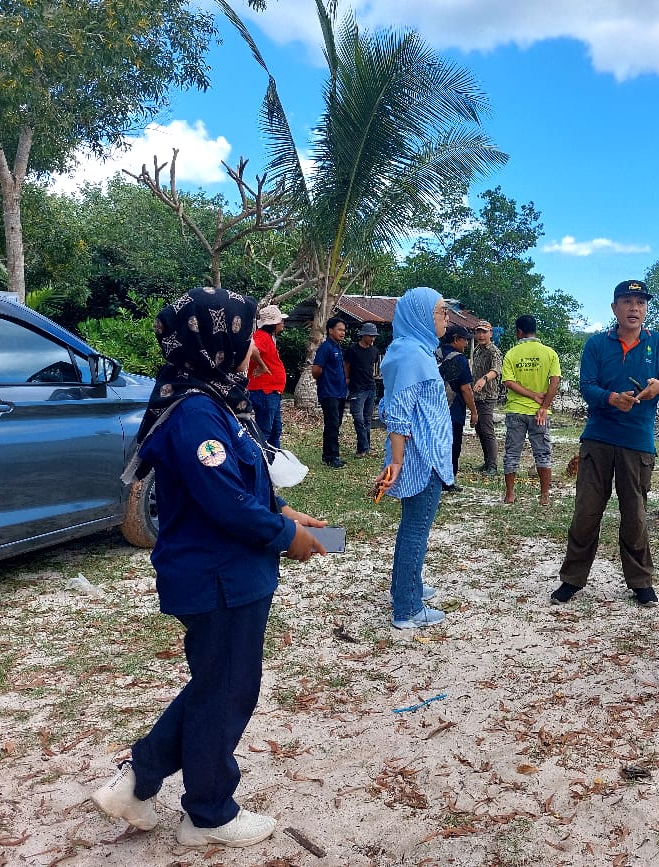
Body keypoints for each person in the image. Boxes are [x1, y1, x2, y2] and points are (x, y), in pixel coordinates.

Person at [91, 287, 327, 848]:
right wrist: (284, 534)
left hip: (232, 572)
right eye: (245, 337)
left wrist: (285, 511)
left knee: (216, 685)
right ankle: (209, 814)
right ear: (214, 342)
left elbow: (238, 484)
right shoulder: (196, 411)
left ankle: (139, 782)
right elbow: (223, 504)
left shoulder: (213, 399)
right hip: (217, 576)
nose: (254, 349)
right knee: (226, 690)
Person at [550, 280, 659, 607]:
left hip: (638, 442)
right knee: (586, 512)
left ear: (646, 309)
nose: (634, 308)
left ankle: (641, 582)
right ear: (614, 308)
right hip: (598, 438)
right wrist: (610, 398)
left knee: (635, 515)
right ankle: (572, 579)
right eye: (627, 301)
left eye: (640, 302)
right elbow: (587, 386)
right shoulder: (597, 344)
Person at [373, 287, 454, 629]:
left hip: (423, 453)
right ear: (421, 315)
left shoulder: (411, 349)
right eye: (440, 311)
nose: (446, 318)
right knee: (416, 531)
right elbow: (398, 415)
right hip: (422, 458)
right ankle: (407, 607)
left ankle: (408, 586)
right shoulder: (411, 356)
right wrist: (397, 462)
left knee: (413, 528)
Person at [501, 315, 561, 505]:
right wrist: (543, 406)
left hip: (516, 411)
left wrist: (531, 395)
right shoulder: (550, 353)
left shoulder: (511, 354)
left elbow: (509, 382)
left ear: (519, 331)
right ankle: (544, 496)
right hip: (540, 414)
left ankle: (510, 494)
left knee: (512, 453)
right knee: (543, 453)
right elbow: (555, 382)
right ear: (535, 330)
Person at [436, 324, 478, 492]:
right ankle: (448, 480)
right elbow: (465, 388)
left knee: (437, 445)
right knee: (453, 446)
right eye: (465, 340)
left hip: (434, 408)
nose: (466, 344)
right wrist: (474, 412)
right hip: (453, 410)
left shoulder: (434, 354)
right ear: (455, 339)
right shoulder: (459, 359)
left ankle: (435, 478)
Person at [246, 304, 288, 449]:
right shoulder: (261, 337)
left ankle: (274, 461)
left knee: (275, 430)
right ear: (274, 323)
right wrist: (263, 366)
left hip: (271, 391)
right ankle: (264, 463)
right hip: (265, 391)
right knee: (265, 432)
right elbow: (252, 349)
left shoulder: (267, 337)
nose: (282, 323)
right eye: (280, 321)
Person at [311, 317, 348, 468]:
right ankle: (331, 456)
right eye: (340, 329)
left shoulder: (337, 347)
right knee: (332, 424)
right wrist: (325, 381)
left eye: (344, 330)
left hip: (339, 392)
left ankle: (329, 454)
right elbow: (316, 370)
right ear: (330, 330)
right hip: (329, 392)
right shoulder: (325, 347)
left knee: (336, 423)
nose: (343, 333)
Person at [470, 319, 503, 474]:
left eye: (484, 332)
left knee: (487, 430)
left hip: (488, 395)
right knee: (480, 429)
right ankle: (487, 462)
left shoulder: (493, 351)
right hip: (476, 395)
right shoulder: (477, 350)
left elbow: (496, 369)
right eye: (479, 332)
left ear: (490, 333)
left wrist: (484, 379)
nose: (481, 335)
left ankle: (493, 466)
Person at [344, 322, 381, 457]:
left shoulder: (374, 351)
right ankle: (363, 446)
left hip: (370, 387)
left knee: (367, 419)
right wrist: (347, 378)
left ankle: (364, 448)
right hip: (357, 388)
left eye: (374, 336)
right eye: (370, 336)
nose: (372, 339)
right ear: (364, 335)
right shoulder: (352, 350)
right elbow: (346, 365)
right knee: (358, 418)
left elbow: (374, 366)